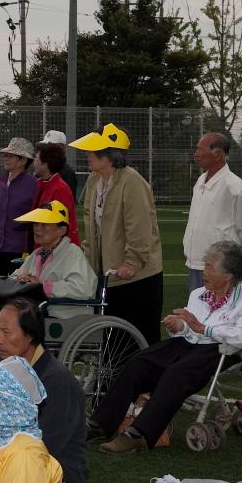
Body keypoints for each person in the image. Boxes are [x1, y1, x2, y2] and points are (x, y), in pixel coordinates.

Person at [91, 239, 242, 455]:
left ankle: (139, 435)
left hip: (221, 349)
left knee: (177, 373)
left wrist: (204, 329)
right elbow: (187, 329)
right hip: (188, 342)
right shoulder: (198, 294)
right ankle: (99, 424)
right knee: (140, 362)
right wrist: (179, 325)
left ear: (228, 275)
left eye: (209, 266)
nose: (204, 270)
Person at [72, 123, 164, 345]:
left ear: (109, 156)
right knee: (111, 337)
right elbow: (91, 225)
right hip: (110, 274)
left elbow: (140, 228)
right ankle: (110, 379)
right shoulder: (94, 180)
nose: (87, 155)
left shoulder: (132, 182)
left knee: (137, 336)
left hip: (137, 276)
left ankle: (139, 379)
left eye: (93, 150)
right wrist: (88, 259)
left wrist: (131, 262)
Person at [0, 297, 87, 483]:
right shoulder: (4, 364)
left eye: (6, 332)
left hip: (58, 472)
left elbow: (47, 446)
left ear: (30, 336)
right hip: (13, 459)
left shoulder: (57, 381)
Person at [184, 132, 242, 291]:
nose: (196, 154)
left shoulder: (234, 186)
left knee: (221, 313)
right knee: (197, 311)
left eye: (200, 149)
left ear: (218, 154)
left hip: (221, 269)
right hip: (195, 263)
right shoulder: (200, 181)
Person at [0, 137, 38, 277]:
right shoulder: (0, 182)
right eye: (5, 155)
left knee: (15, 289)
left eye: (10, 155)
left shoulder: (33, 185)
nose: (5, 158)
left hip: (18, 248)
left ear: (23, 160)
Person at [32, 140, 78, 244]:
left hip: (55, 251)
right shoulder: (40, 184)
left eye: (36, 159)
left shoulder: (60, 189)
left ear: (45, 164)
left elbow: (61, 226)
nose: (34, 162)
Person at [40, 129, 79, 202]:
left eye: (51, 146)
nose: (46, 149)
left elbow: (68, 203)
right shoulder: (42, 170)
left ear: (62, 148)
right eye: (45, 146)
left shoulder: (68, 173)